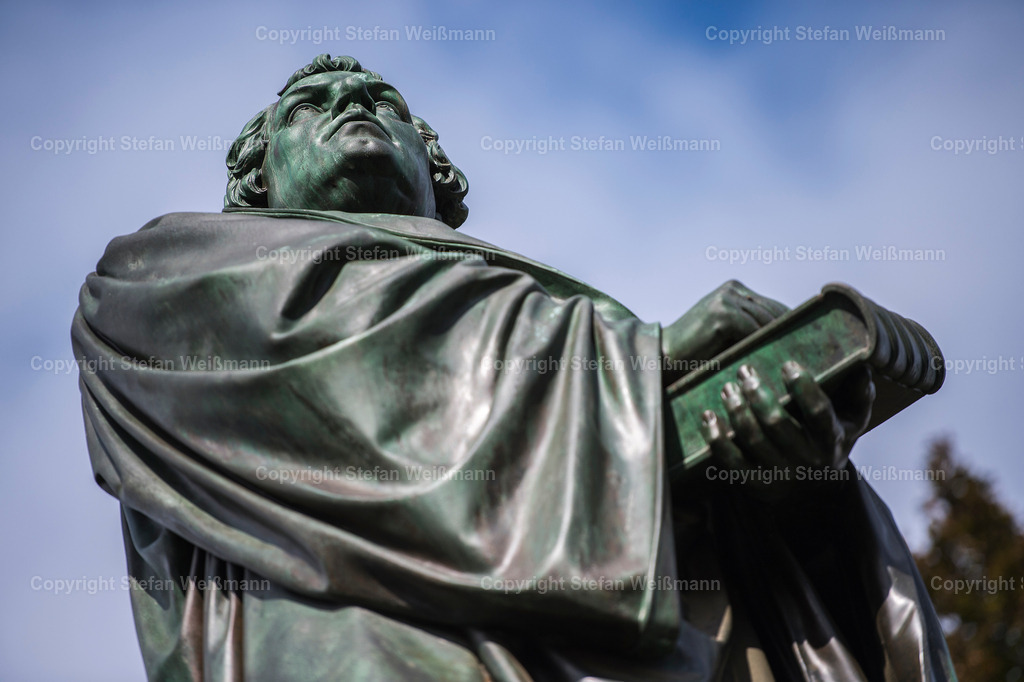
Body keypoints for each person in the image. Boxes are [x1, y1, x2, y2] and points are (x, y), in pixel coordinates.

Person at [72, 54, 955, 681]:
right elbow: (352, 384)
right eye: (311, 104)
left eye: (383, 99)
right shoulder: (158, 277)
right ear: (254, 182)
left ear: (434, 169)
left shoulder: (558, 317)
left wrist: (785, 491)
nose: (354, 101)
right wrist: (643, 362)